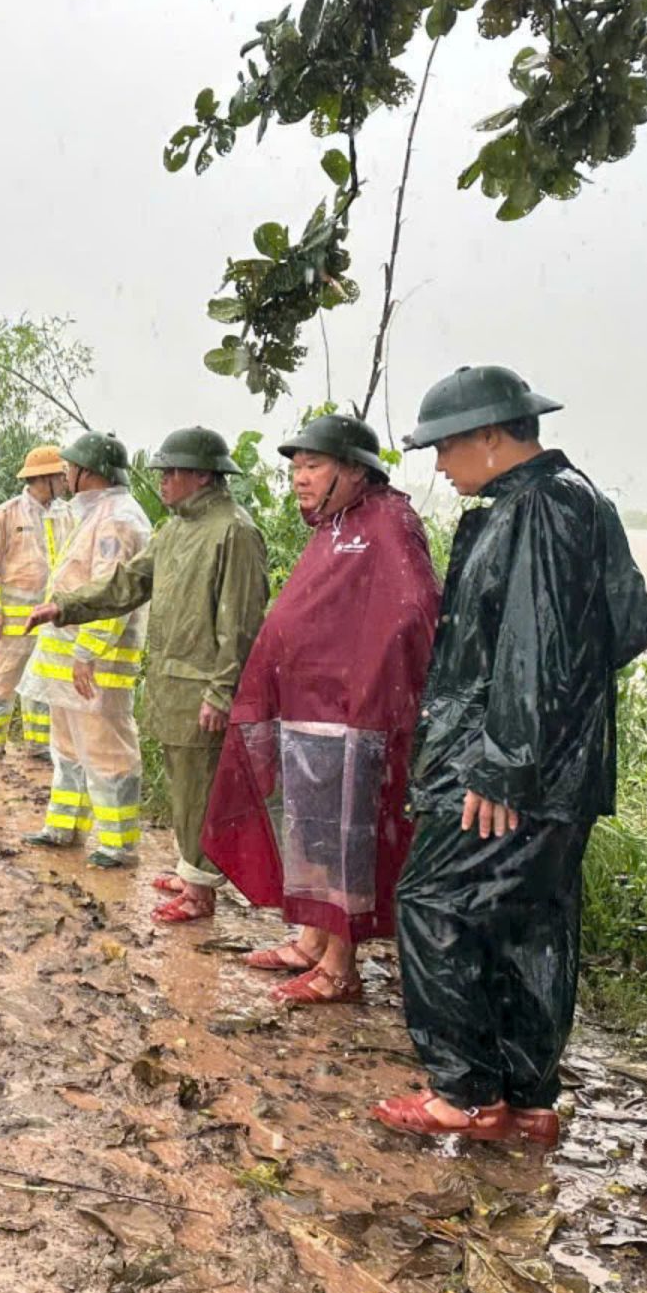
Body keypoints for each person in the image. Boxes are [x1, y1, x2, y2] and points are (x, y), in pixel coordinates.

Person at [371, 366, 647, 1146]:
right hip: (564, 775)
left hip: (504, 771)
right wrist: (561, 729)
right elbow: (633, 627)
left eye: (446, 446)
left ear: (493, 437)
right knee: (531, 922)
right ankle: (528, 1099)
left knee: (433, 903)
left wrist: (504, 762)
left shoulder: (530, 509)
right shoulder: (585, 502)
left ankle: (463, 1094)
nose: (438, 465)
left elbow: (532, 643)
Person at [200, 415, 440, 1004]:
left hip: (354, 717)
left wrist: (367, 682)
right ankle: (310, 939)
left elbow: (412, 611)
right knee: (310, 828)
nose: (299, 480)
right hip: (308, 712)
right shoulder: (334, 526)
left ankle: (339, 966)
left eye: (312, 467)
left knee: (346, 836)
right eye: (295, 469)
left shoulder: (389, 521)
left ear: (355, 469)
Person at [32, 426, 268, 921]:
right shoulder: (177, 528)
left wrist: (222, 691)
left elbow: (241, 622)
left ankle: (200, 890)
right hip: (171, 680)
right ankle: (190, 868)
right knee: (183, 780)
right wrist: (65, 607)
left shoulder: (233, 531)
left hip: (202, 683)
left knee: (199, 786)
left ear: (202, 475)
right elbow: (129, 583)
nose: (161, 480)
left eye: (171, 471)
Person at [20, 432, 153, 866]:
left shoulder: (117, 520)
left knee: (106, 751)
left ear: (88, 473)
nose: (63, 475)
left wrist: (87, 653)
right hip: (70, 662)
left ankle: (118, 843)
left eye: (70, 467)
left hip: (96, 664)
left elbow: (111, 595)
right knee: (69, 749)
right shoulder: (96, 513)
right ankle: (64, 827)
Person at [0, 447, 70, 760]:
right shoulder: (6, 514)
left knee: (42, 681)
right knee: (2, 678)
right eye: (60, 476)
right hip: (12, 619)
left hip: (50, 616)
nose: (66, 481)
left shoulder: (66, 514)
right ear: (44, 478)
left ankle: (39, 744)